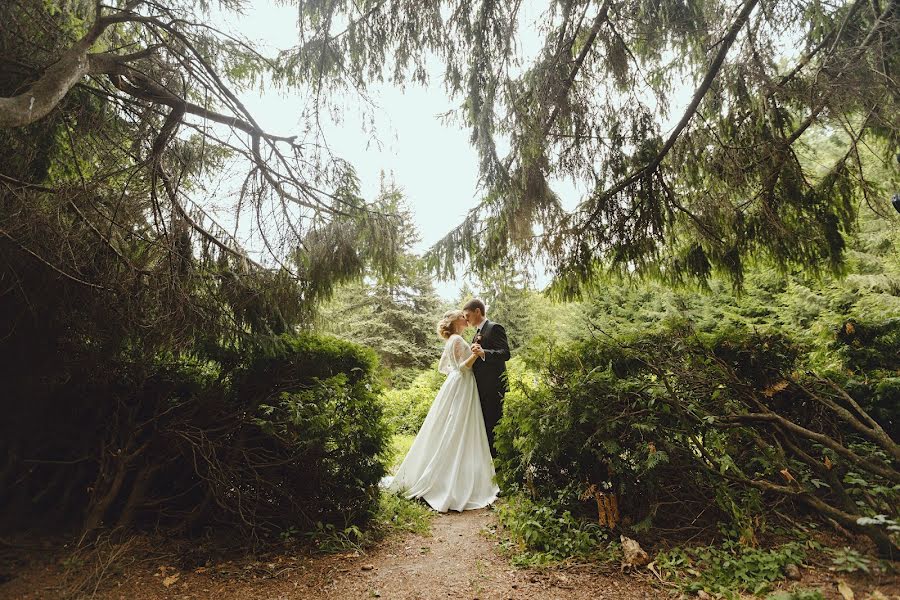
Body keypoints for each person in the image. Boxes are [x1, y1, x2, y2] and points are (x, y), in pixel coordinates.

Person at [386, 310, 499, 512]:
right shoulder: (456, 339)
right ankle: (447, 479)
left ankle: (459, 472)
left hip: (460, 383)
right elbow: (462, 368)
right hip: (462, 384)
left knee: (458, 425)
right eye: (462, 316)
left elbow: (446, 368)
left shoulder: (455, 339)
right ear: (456, 320)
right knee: (457, 426)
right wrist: (475, 354)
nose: (465, 319)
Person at [462, 298, 511, 458]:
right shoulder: (477, 333)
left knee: (494, 425)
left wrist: (484, 353)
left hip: (494, 387)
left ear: (478, 311)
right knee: (485, 426)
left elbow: (505, 353)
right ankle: (489, 461)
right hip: (482, 388)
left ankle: (498, 463)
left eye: (468, 315)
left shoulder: (494, 327)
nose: (466, 319)